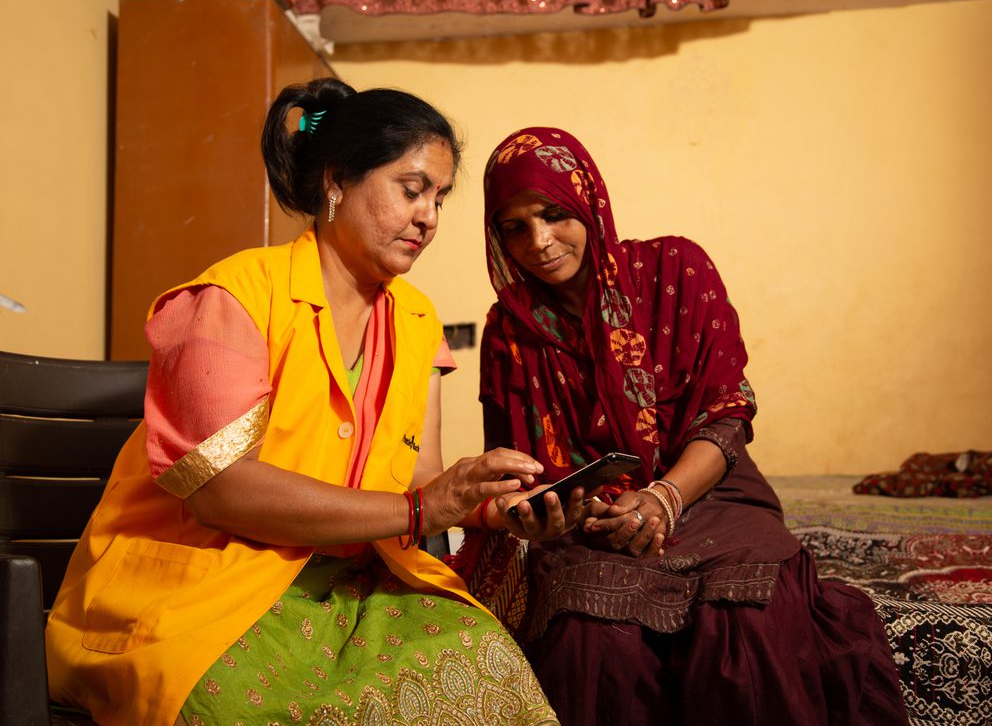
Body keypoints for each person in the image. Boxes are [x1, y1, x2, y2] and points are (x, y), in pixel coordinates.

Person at [45, 80, 560, 726]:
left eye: (439, 197)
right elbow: (220, 491)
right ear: (337, 181)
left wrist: (490, 505)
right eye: (411, 189)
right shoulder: (232, 298)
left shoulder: (417, 322)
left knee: (488, 664)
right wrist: (422, 507)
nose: (429, 217)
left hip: (349, 588)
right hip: (203, 591)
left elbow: (417, 476)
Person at [454, 126, 909, 725]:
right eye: (514, 227)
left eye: (554, 214)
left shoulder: (675, 270)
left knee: (745, 621)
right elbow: (519, 467)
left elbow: (726, 409)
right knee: (591, 638)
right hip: (592, 521)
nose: (538, 242)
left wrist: (664, 498)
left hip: (709, 491)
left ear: (588, 202)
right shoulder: (509, 331)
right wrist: (549, 512)